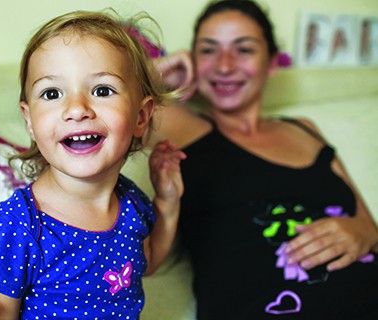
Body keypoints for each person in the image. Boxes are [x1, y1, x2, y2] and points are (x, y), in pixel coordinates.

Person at [150, 0, 378, 319]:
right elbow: (100, 100)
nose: (225, 65)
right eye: (208, 50)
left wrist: (365, 233)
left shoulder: (305, 128)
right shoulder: (178, 124)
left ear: (272, 62)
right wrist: (160, 74)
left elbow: (369, 225)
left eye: (243, 50)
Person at [0, 10, 185, 319]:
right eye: (52, 93)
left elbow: (148, 261)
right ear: (30, 121)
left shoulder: (132, 204)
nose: (76, 109)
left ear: (141, 117)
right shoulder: (21, 221)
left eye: (102, 90)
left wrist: (168, 202)